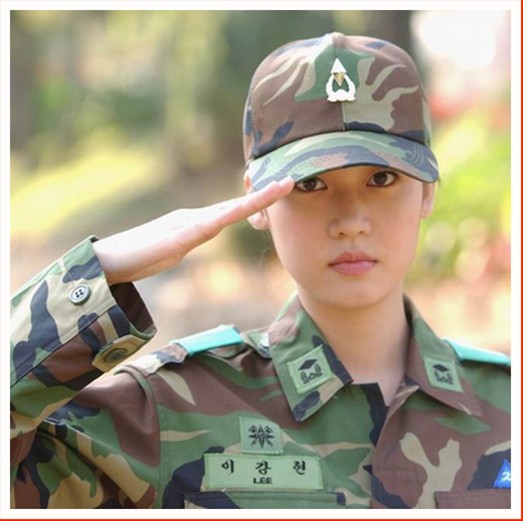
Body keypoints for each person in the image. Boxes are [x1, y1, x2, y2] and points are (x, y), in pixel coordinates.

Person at [10, 32, 510, 509]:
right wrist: (101, 268)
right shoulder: (170, 410)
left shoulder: (508, 404)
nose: (351, 221)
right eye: (311, 184)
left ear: (427, 191)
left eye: (382, 178)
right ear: (258, 201)